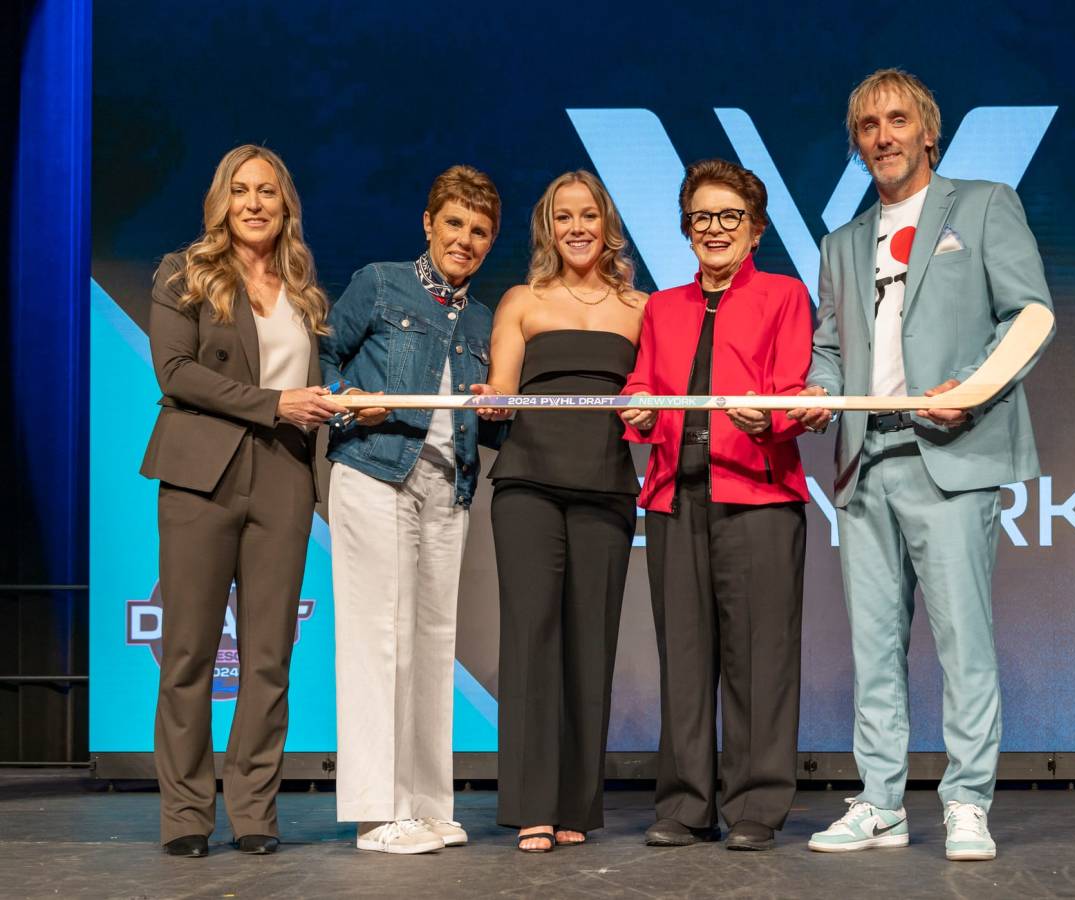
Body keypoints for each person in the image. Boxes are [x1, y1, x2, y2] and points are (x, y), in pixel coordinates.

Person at [794, 69, 1054, 862]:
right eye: (868, 124)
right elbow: (833, 349)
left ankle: (967, 801)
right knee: (873, 647)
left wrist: (971, 393)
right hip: (864, 463)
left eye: (897, 119)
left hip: (951, 457)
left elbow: (1032, 312)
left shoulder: (981, 205)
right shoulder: (840, 243)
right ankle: (880, 802)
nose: (882, 135)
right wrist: (818, 391)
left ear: (927, 132)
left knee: (962, 642)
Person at [141, 144, 344, 858]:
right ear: (221, 202)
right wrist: (274, 403)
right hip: (202, 477)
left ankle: (254, 812)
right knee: (190, 655)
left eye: (267, 191)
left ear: (286, 203)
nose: (254, 203)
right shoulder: (185, 273)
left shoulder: (304, 288)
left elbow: (316, 389)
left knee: (267, 659)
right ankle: (187, 816)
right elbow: (176, 374)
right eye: (240, 190)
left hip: (284, 477)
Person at [620, 159, 813, 852]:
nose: (715, 229)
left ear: (756, 228)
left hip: (757, 496)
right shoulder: (662, 306)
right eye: (702, 217)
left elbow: (793, 387)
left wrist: (774, 419)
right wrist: (636, 411)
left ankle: (756, 805)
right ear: (685, 228)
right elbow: (642, 384)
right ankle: (684, 803)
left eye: (730, 216)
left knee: (760, 658)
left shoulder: (785, 295)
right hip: (675, 495)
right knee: (685, 655)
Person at [319, 165, 503, 855]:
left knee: (432, 642)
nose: (465, 239)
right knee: (376, 638)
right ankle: (376, 812)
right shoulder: (380, 282)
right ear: (429, 222)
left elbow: (487, 423)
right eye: (454, 223)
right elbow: (322, 349)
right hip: (372, 469)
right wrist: (343, 398)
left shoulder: (482, 319)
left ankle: (426, 804)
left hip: (445, 487)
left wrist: (496, 408)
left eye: (480, 231)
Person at [482, 171, 647, 852]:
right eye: (562, 217)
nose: (576, 228)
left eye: (588, 215)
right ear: (547, 229)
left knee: (590, 643)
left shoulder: (643, 307)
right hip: (528, 483)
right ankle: (531, 807)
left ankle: (577, 805)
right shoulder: (522, 301)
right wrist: (490, 400)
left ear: (607, 223)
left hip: (606, 484)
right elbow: (500, 387)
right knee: (531, 641)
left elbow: (655, 396)